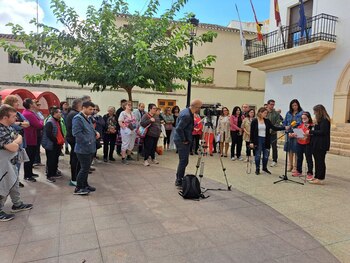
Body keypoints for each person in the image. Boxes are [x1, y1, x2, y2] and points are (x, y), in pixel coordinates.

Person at [0, 104, 33, 222]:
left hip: (11, 162)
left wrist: (15, 141)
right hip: (2, 165)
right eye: (13, 116)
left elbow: (19, 137)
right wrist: (15, 142)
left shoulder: (9, 127)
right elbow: (13, 147)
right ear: (5, 117)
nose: (16, 119)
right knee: (3, 186)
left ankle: (17, 204)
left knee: (14, 183)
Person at [250, 107, 289, 175]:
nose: (266, 114)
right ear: (260, 113)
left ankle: (264, 168)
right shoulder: (254, 121)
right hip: (258, 139)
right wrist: (251, 142)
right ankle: (257, 168)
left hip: (266, 139)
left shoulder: (267, 121)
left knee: (266, 155)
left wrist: (284, 127)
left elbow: (274, 127)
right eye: (265, 113)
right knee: (258, 155)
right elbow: (252, 132)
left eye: (266, 113)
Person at [72, 101, 100, 195]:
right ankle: (78, 188)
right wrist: (87, 141)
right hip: (83, 148)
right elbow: (76, 133)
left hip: (90, 147)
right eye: (90, 109)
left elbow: (90, 128)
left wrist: (95, 132)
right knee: (84, 169)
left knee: (86, 169)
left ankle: (85, 185)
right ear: (83, 107)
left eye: (93, 109)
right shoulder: (78, 118)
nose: (92, 111)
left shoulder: (88, 118)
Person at [173, 99, 202, 187]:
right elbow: (179, 128)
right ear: (196, 107)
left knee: (184, 161)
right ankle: (179, 180)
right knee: (183, 161)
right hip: (182, 141)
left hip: (181, 139)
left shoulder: (186, 111)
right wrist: (184, 139)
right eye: (200, 107)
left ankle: (179, 178)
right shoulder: (187, 115)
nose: (200, 109)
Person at [3, 95, 30, 188]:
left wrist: (19, 123)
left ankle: (16, 180)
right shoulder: (5, 114)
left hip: (21, 139)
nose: (18, 104)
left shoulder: (18, 113)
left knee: (18, 161)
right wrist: (20, 124)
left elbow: (28, 123)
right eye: (16, 102)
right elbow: (14, 126)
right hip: (12, 140)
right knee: (11, 163)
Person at [306, 105, 331, 185]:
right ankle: (316, 177)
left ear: (319, 111)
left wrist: (310, 132)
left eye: (315, 111)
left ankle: (320, 178)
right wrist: (312, 126)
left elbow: (323, 132)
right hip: (316, 143)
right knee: (317, 161)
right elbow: (318, 129)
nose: (314, 113)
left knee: (320, 161)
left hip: (321, 144)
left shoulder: (325, 120)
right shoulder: (320, 120)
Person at [22, 98, 44, 182]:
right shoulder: (29, 114)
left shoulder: (30, 113)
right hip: (30, 138)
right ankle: (27, 175)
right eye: (34, 103)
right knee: (29, 157)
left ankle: (30, 173)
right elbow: (39, 125)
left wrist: (40, 121)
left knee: (31, 156)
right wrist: (41, 121)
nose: (35, 104)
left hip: (32, 136)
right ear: (31, 105)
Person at [41, 107, 65, 183]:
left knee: (55, 159)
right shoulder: (50, 122)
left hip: (57, 144)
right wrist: (56, 141)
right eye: (59, 112)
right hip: (51, 144)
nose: (61, 114)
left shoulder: (57, 121)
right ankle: (49, 175)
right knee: (51, 160)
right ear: (55, 113)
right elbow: (49, 134)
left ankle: (54, 173)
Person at [290, 111, 313, 180]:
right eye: (302, 118)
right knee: (299, 158)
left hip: (307, 144)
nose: (304, 120)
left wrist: (308, 134)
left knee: (308, 159)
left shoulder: (311, 125)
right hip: (299, 143)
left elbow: (312, 134)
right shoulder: (300, 125)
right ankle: (299, 171)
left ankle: (310, 173)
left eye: (305, 118)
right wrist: (294, 134)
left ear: (308, 118)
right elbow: (298, 133)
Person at [283, 99, 303, 173]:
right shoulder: (288, 113)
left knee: (296, 150)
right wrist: (286, 128)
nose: (294, 107)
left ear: (298, 105)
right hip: (289, 131)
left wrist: (295, 132)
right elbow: (285, 122)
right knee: (289, 149)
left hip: (297, 131)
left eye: (296, 105)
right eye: (293, 105)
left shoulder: (301, 113)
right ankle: (290, 165)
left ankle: (295, 166)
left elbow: (301, 123)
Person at [66, 98, 83, 186]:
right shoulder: (75, 114)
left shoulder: (73, 113)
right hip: (74, 140)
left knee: (75, 159)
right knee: (75, 159)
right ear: (79, 105)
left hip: (73, 139)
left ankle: (76, 178)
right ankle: (74, 179)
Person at [266, 99, 281, 167]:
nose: (272, 106)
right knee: (266, 146)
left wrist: (272, 129)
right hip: (265, 133)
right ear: (268, 104)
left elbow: (278, 123)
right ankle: (265, 158)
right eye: (271, 104)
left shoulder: (276, 113)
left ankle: (275, 160)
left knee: (274, 147)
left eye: (273, 104)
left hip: (273, 133)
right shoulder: (264, 112)